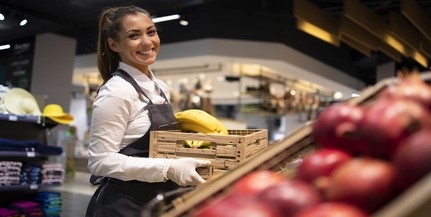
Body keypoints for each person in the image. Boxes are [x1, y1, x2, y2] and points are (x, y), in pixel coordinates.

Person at [85, 5, 211, 217]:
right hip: (123, 206)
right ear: (114, 44)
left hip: (158, 201)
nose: (147, 42)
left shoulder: (161, 87)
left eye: (150, 32)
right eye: (134, 36)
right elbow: (99, 161)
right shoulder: (117, 91)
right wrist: (168, 169)